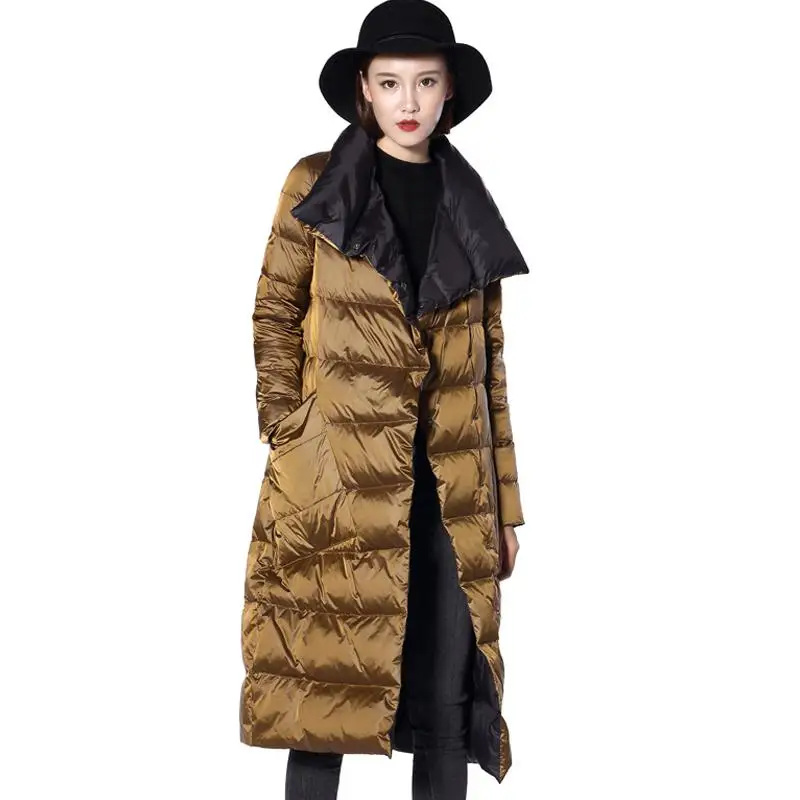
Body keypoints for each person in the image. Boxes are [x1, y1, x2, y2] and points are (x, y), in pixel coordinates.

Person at [239, 2, 530, 798]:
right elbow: (274, 311)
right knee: (323, 699)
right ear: (364, 90)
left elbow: (490, 368)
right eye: (391, 82)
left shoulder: (468, 201)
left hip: (449, 489)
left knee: (445, 704)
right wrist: (289, 429)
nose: (409, 101)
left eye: (426, 82)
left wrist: (504, 507)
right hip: (333, 483)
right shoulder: (315, 186)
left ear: (448, 91)